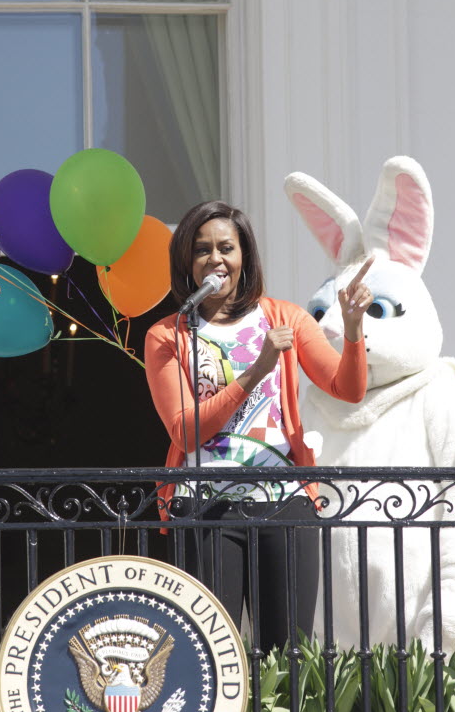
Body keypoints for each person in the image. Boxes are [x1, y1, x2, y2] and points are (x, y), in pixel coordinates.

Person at [144, 200, 373, 651]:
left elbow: (347, 388)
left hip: (284, 502)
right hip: (205, 507)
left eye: (226, 248)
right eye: (202, 249)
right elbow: (185, 432)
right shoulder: (167, 335)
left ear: (244, 255)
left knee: (288, 656)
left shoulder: (284, 318)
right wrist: (255, 371)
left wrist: (352, 330)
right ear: (186, 262)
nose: (215, 259)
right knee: (210, 653)